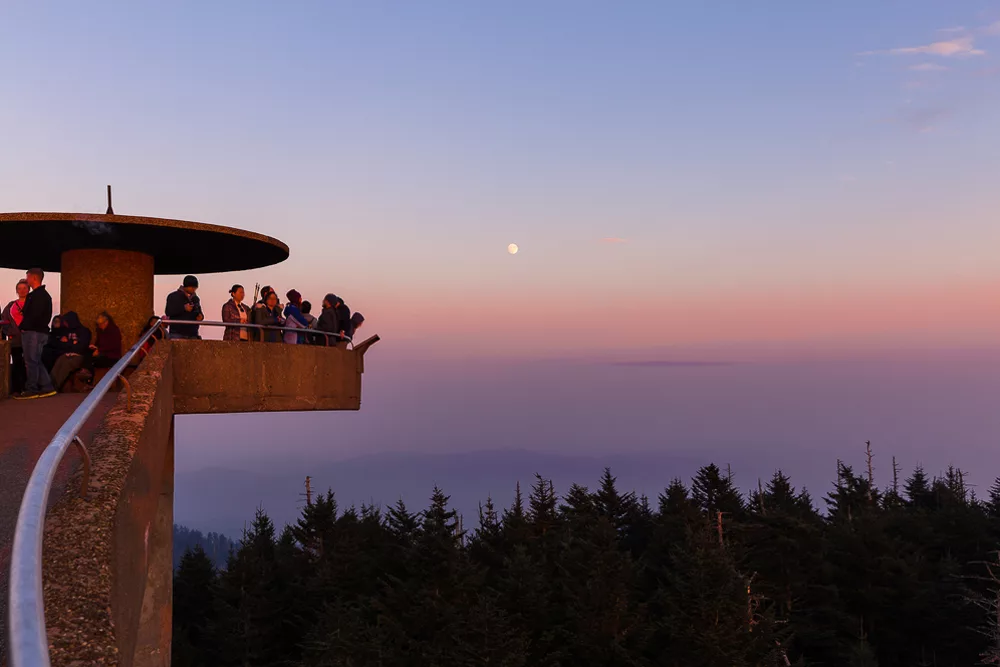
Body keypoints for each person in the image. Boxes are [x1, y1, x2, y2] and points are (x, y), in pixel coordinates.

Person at [15, 268, 55, 399]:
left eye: (28, 277)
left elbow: (34, 316)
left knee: (31, 361)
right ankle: (47, 387)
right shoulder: (44, 296)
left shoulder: (38, 296)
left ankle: (31, 389)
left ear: (34, 278)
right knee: (36, 360)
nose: (27, 280)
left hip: (33, 333)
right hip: (40, 332)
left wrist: (24, 327)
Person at [49, 311, 93, 391]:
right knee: (59, 362)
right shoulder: (66, 331)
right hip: (67, 354)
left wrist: (69, 344)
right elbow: (61, 344)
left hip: (79, 356)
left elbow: (82, 346)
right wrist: (72, 343)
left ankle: (55, 387)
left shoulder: (84, 331)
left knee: (67, 365)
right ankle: (49, 384)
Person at [1, 279, 30, 394]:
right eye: (19, 289)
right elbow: (3, 320)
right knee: (17, 363)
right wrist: (9, 332)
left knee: (30, 363)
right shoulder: (10, 305)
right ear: (16, 291)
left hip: (30, 338)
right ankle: (17, 389)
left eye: (24, 288)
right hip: (16, 339)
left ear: (29, 290)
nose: (22, 291)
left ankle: (29, 388)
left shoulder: (32, 304)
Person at [165, 275, 203, 339]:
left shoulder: (196, 298)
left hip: (193, 334)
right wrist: (183, 308)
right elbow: (168, 311)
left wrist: (201, 316)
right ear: (186, 286)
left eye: (195, 287)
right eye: (192, 287)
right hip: (177, 333)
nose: (194, 289)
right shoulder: (173, 296)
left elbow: (199, 311)